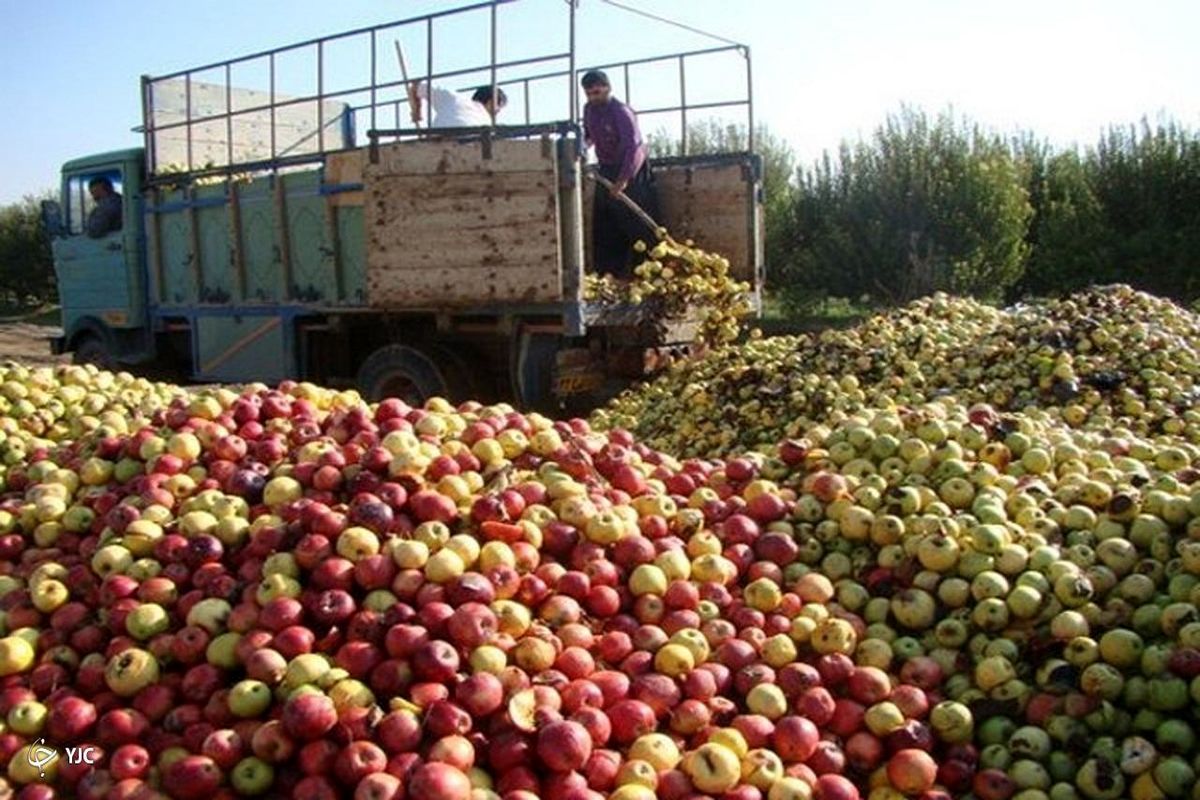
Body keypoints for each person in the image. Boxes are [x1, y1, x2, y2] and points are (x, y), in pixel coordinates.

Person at [581, 69, 659, 277]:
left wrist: (623, 180)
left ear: (607, 88)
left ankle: (645, 274)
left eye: (597, 92)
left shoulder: (621, 112)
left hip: (631, 171)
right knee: (606, 223)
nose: (593, 98)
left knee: (637, 225)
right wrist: (580, 150)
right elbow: (588, 136)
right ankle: (609, 275)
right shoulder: (589, 110)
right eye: (589, 94)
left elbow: (633, 148)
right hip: (606, 169)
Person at [408, 82, 507, 129]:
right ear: (491, 103)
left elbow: (416, 86)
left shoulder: (454, 97)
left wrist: (417, 110)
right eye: (496, 112)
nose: (494, 116)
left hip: (436, 142)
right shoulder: (485, 120)